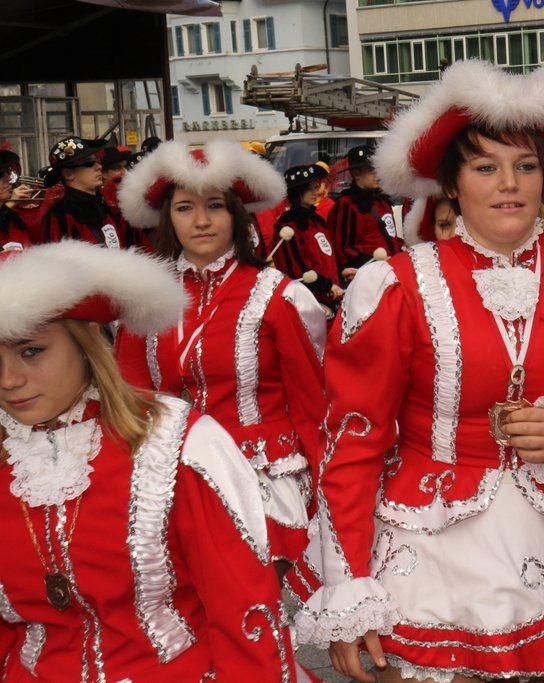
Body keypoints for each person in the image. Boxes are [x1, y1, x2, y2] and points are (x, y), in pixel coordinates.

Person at [293, 59, 544, 682]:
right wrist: (348, 584)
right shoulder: (397, 286)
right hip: (427, 552)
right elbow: (353, 443)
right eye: (485, 167)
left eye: (525, 167)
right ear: (452, 183)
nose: (509, 184)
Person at [0, 241, 296, 680]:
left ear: (86, 345)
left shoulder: (174, 444)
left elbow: (242, 608)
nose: (8, 380)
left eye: (31, 351)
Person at [115, 139, 327, 572]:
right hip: (169, 479)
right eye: (184, 208)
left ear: (236, 214)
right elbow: (129, 401)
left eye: (214, 206)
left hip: (264, 482)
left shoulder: (279, 297)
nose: (201, 221)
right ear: (168, 218)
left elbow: (314, 407)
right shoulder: (143, 300)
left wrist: (332, 500)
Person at [327, 144, 402, 279]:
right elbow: (344, 252)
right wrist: (376, 264)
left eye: (378, 169)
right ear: (356, 173)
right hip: (368, 277)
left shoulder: (383, 201)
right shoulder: (347, 206)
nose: (377, 174)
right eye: (371, 170)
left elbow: (391, 237)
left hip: (392, 272)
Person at [273, 164, 344, 306]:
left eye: (315, 187)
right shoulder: (287, 226)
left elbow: (327, 256)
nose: (315, 192)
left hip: (331, 296)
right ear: (296, 192)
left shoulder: (317, 220)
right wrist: (327, 286)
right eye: (308, 188)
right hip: (308, 302)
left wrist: (341, 271)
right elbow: (296, 271)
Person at [40, 136, 126, 249]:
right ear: (68, 174)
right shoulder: (60, 217)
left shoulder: (104, 208)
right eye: (89, 162)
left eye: (97, 161)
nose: (99, 166)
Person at [0, 155, 30, 252]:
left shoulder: (12, 217)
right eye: (1, 174)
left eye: (7, 172)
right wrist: (11, 203)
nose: (8, 178)